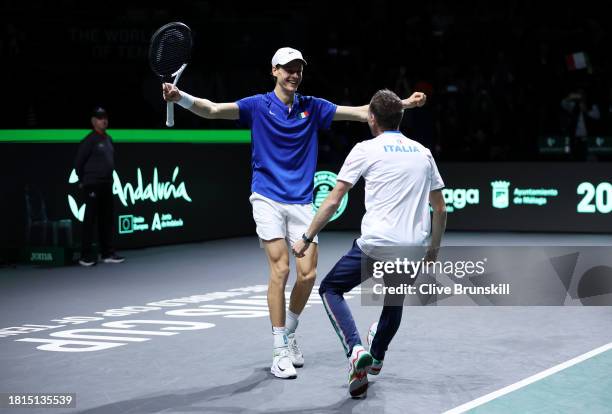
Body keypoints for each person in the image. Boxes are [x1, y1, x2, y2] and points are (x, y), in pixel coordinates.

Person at [162, 47, 426, 379]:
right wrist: (180, 96)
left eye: (298, 69)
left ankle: (288, 332)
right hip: (267, 197)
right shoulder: (257, 105)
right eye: (287, 69)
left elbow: (363, 113)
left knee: (308, 275)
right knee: (281, 268)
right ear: (274, 71)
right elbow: (213, 109)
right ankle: (278, 350)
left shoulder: (312, 107)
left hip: (301, 201)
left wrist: (402, 104)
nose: (294, 74)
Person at [292, 89, 447, 397]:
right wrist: (432, 249)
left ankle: (355, 350)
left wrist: (307, 237)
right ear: (401, 117)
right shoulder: (423, 152)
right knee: (393, 303)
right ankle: (374, 359)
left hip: (375, 245)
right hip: (412, 247)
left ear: (371, 119)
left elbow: (333, 200)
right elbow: (439, 208)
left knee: (330, 289)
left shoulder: (364, 149)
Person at [74, 107, 125, 267]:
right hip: (92, 185)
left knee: (107, 220)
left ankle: (107, 254)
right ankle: (85, 256)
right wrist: (83, 180)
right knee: (89, 220)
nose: (104, 120)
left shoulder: (108, 139)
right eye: (100, 118)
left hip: (106, 184)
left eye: (105, 117)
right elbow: (78, 164)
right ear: (93, 121)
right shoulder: (89, 140)